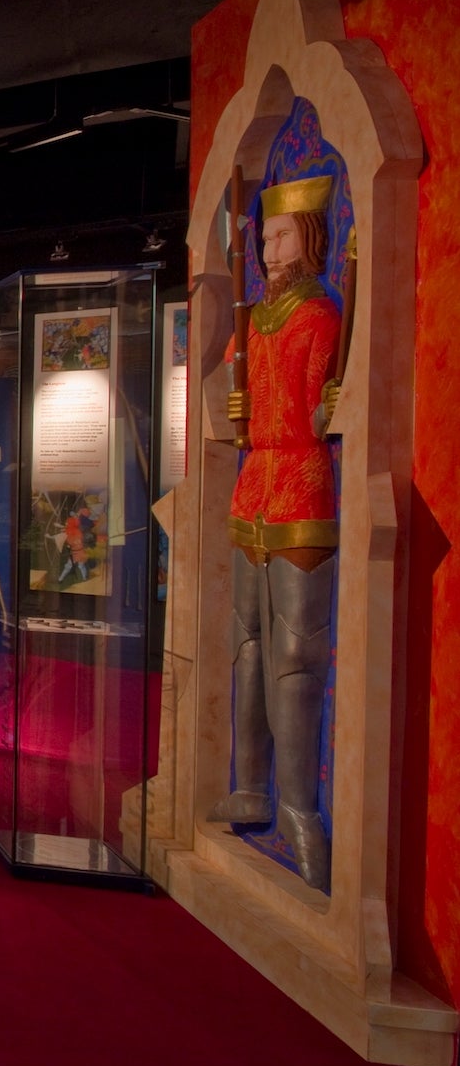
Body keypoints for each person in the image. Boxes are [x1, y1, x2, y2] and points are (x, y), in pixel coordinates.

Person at [213, 172, 343, 890]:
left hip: (300, 482)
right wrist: (235, 405)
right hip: (254, 484)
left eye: (282, 236)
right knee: (248, 645)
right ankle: (251, 786)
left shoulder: (320, 316)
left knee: (296, 652)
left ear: (310, 238)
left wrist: (332, 405)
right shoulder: (253, 320)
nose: (268, 251)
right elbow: (238, 405)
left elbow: (322, 412)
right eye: (264, 238)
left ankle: (299, 810)